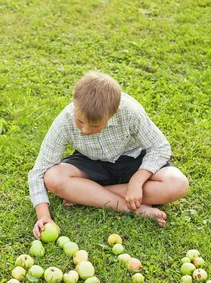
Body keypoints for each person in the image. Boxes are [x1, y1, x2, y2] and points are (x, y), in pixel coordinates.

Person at [28, 71, 189, 239]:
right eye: (80, 121)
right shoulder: (65, 120)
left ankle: (88, 195)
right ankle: (132, 208)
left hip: (133, 161)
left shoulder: (130, 112)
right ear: (74, 102)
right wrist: (43, 216)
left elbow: (160, 147)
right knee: (53, 177)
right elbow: (39, 171)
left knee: (178, 184)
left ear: (115, 112)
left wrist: (137, 180)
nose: (85, 130)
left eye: (95, 126)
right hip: (91, 163)